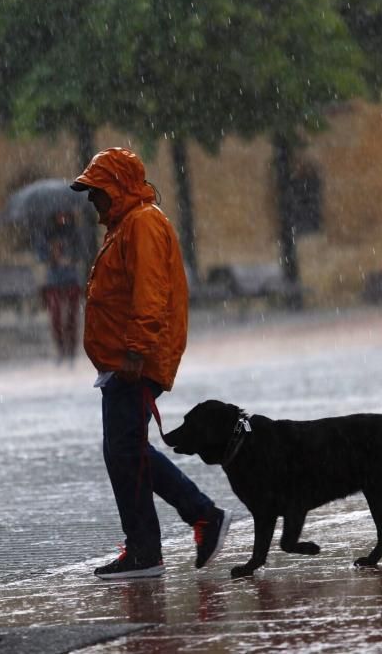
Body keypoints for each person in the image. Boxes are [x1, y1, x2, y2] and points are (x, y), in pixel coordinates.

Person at [70, 147, 230, 580]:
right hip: (121, 361)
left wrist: (136, 353)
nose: (91, 202)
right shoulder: (127, 225)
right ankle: (150, 544)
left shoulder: (142, 223)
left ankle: (188, 524)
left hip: (132, 361)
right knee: (123, 452)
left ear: (117, 187)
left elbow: (150, 294)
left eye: (96, 191)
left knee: (126, 451)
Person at [38, 208, 83, 364]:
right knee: (56, 317)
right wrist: (52, 255)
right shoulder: (47, 233)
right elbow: (41, 255)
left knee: (72, 316)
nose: (61, 217)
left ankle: (71, 349)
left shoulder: (74, 233)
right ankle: (61, 348)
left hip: (71, 278)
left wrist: (70, 258)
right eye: (59, 214)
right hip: (53, 280)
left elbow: (81, 251)